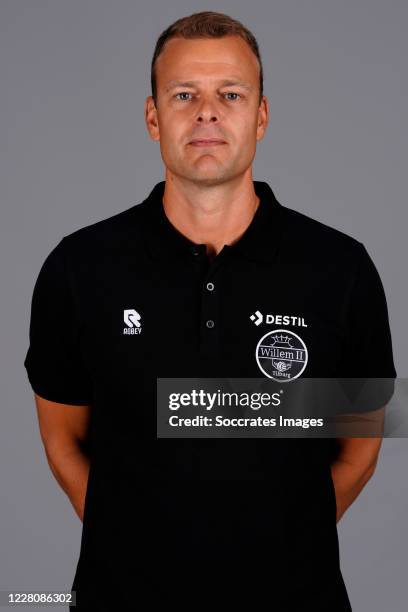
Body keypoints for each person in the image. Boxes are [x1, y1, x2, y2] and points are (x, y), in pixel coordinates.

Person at [24, 11, 397, 611]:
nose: (207, 112)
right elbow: (63, 439)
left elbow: (361, 445)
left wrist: (282, 544)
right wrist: (136, 547)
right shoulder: (79, 268)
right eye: (183, 94)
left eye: (230, 93)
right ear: (153, 118)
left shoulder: (341, 269)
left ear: (261, 116)